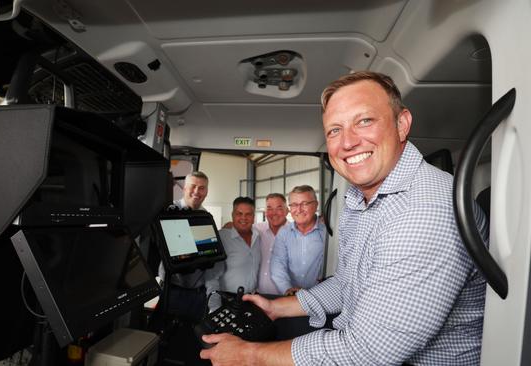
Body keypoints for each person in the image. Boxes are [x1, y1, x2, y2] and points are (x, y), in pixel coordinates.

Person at [200, 71, 489, 365]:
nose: (347, 142)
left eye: (364, 121)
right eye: (334, 130)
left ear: (401, 124)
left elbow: (368, 351)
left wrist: (248, 355)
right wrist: (279, 308)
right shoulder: (358, 200)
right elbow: (349, 283)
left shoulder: (424, 211)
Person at [158, 171, 211, 321]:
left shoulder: (206, 216)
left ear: (206, 192)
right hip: (173, 290)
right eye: (193, 186)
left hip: (199, 293)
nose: (197, 191)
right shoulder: (167, 211)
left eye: (202, 188)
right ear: (184, 188)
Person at [206, 197, 262, 310]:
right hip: (227, 302)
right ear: (232, 215)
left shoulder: (258, 237)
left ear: (253, 217)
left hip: (252, 301)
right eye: (239, 213)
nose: (243, 218)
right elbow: (211, 277)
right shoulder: (221, 238)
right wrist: (215, 308)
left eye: (248, 214)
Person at [270, 185, 326, 296]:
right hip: (291, 297)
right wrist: (287, 289)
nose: (299, 210)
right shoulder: (284, 233)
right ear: (290, 208)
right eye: (294, 205)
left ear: (315, 205)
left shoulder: (327, 233)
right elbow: (278, 265)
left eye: (305, 204)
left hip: (321, 298)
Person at [255, 193, 289, 295]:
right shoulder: (256, 230)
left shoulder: (297, 234)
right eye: (269, 208)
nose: (274, 213)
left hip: (286, 299)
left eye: (279, 208)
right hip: (258, 296)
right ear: (265, 212)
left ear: (287, 211)